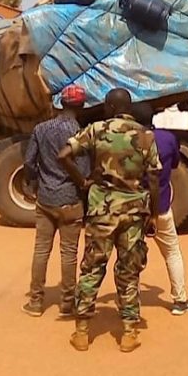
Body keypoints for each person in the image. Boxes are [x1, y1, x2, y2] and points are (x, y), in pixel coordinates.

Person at [59, 88, 161, 353]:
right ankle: (128, 333)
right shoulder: (146, 136)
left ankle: (82, 332)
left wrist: (82, 182)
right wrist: (155, 213)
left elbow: (63, 155)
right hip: (134, 213)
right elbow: (155, 179)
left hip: (100, 212)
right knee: (129, 271)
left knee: (92, 268)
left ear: (111, 107)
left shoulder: (95, 130)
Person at [22, 84, 90, 318]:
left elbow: (29, 162)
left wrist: (33, 184)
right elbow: (84, 169)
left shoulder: (41, 129)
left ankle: (36, 301)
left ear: (61, 103)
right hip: (70, 200)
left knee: (41, 250)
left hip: (45, 199)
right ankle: (67, 303)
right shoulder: (81, 133)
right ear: (81, 106)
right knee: (69, 253)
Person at [132, 102, 188, 316]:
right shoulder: (167, 138)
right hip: (161, 206)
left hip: (133, 207)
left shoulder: (127, 140)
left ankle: (131, 302)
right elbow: (175, 164)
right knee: (171, 252)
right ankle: (180, 300)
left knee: (129, 255)